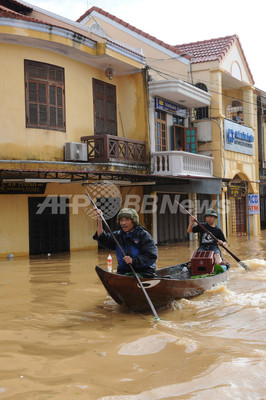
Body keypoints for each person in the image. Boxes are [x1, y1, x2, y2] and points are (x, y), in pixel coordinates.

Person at [93, 208, 157, 278]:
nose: (123, 223)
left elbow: (151, 256)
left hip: (143, 272)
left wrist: (133, 260)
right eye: (121, 220)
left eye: (127, 220)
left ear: (134, 221)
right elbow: (102, 238)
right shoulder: (118, 235)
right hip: (123, 272)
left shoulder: (143, 235)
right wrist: (99, 221)